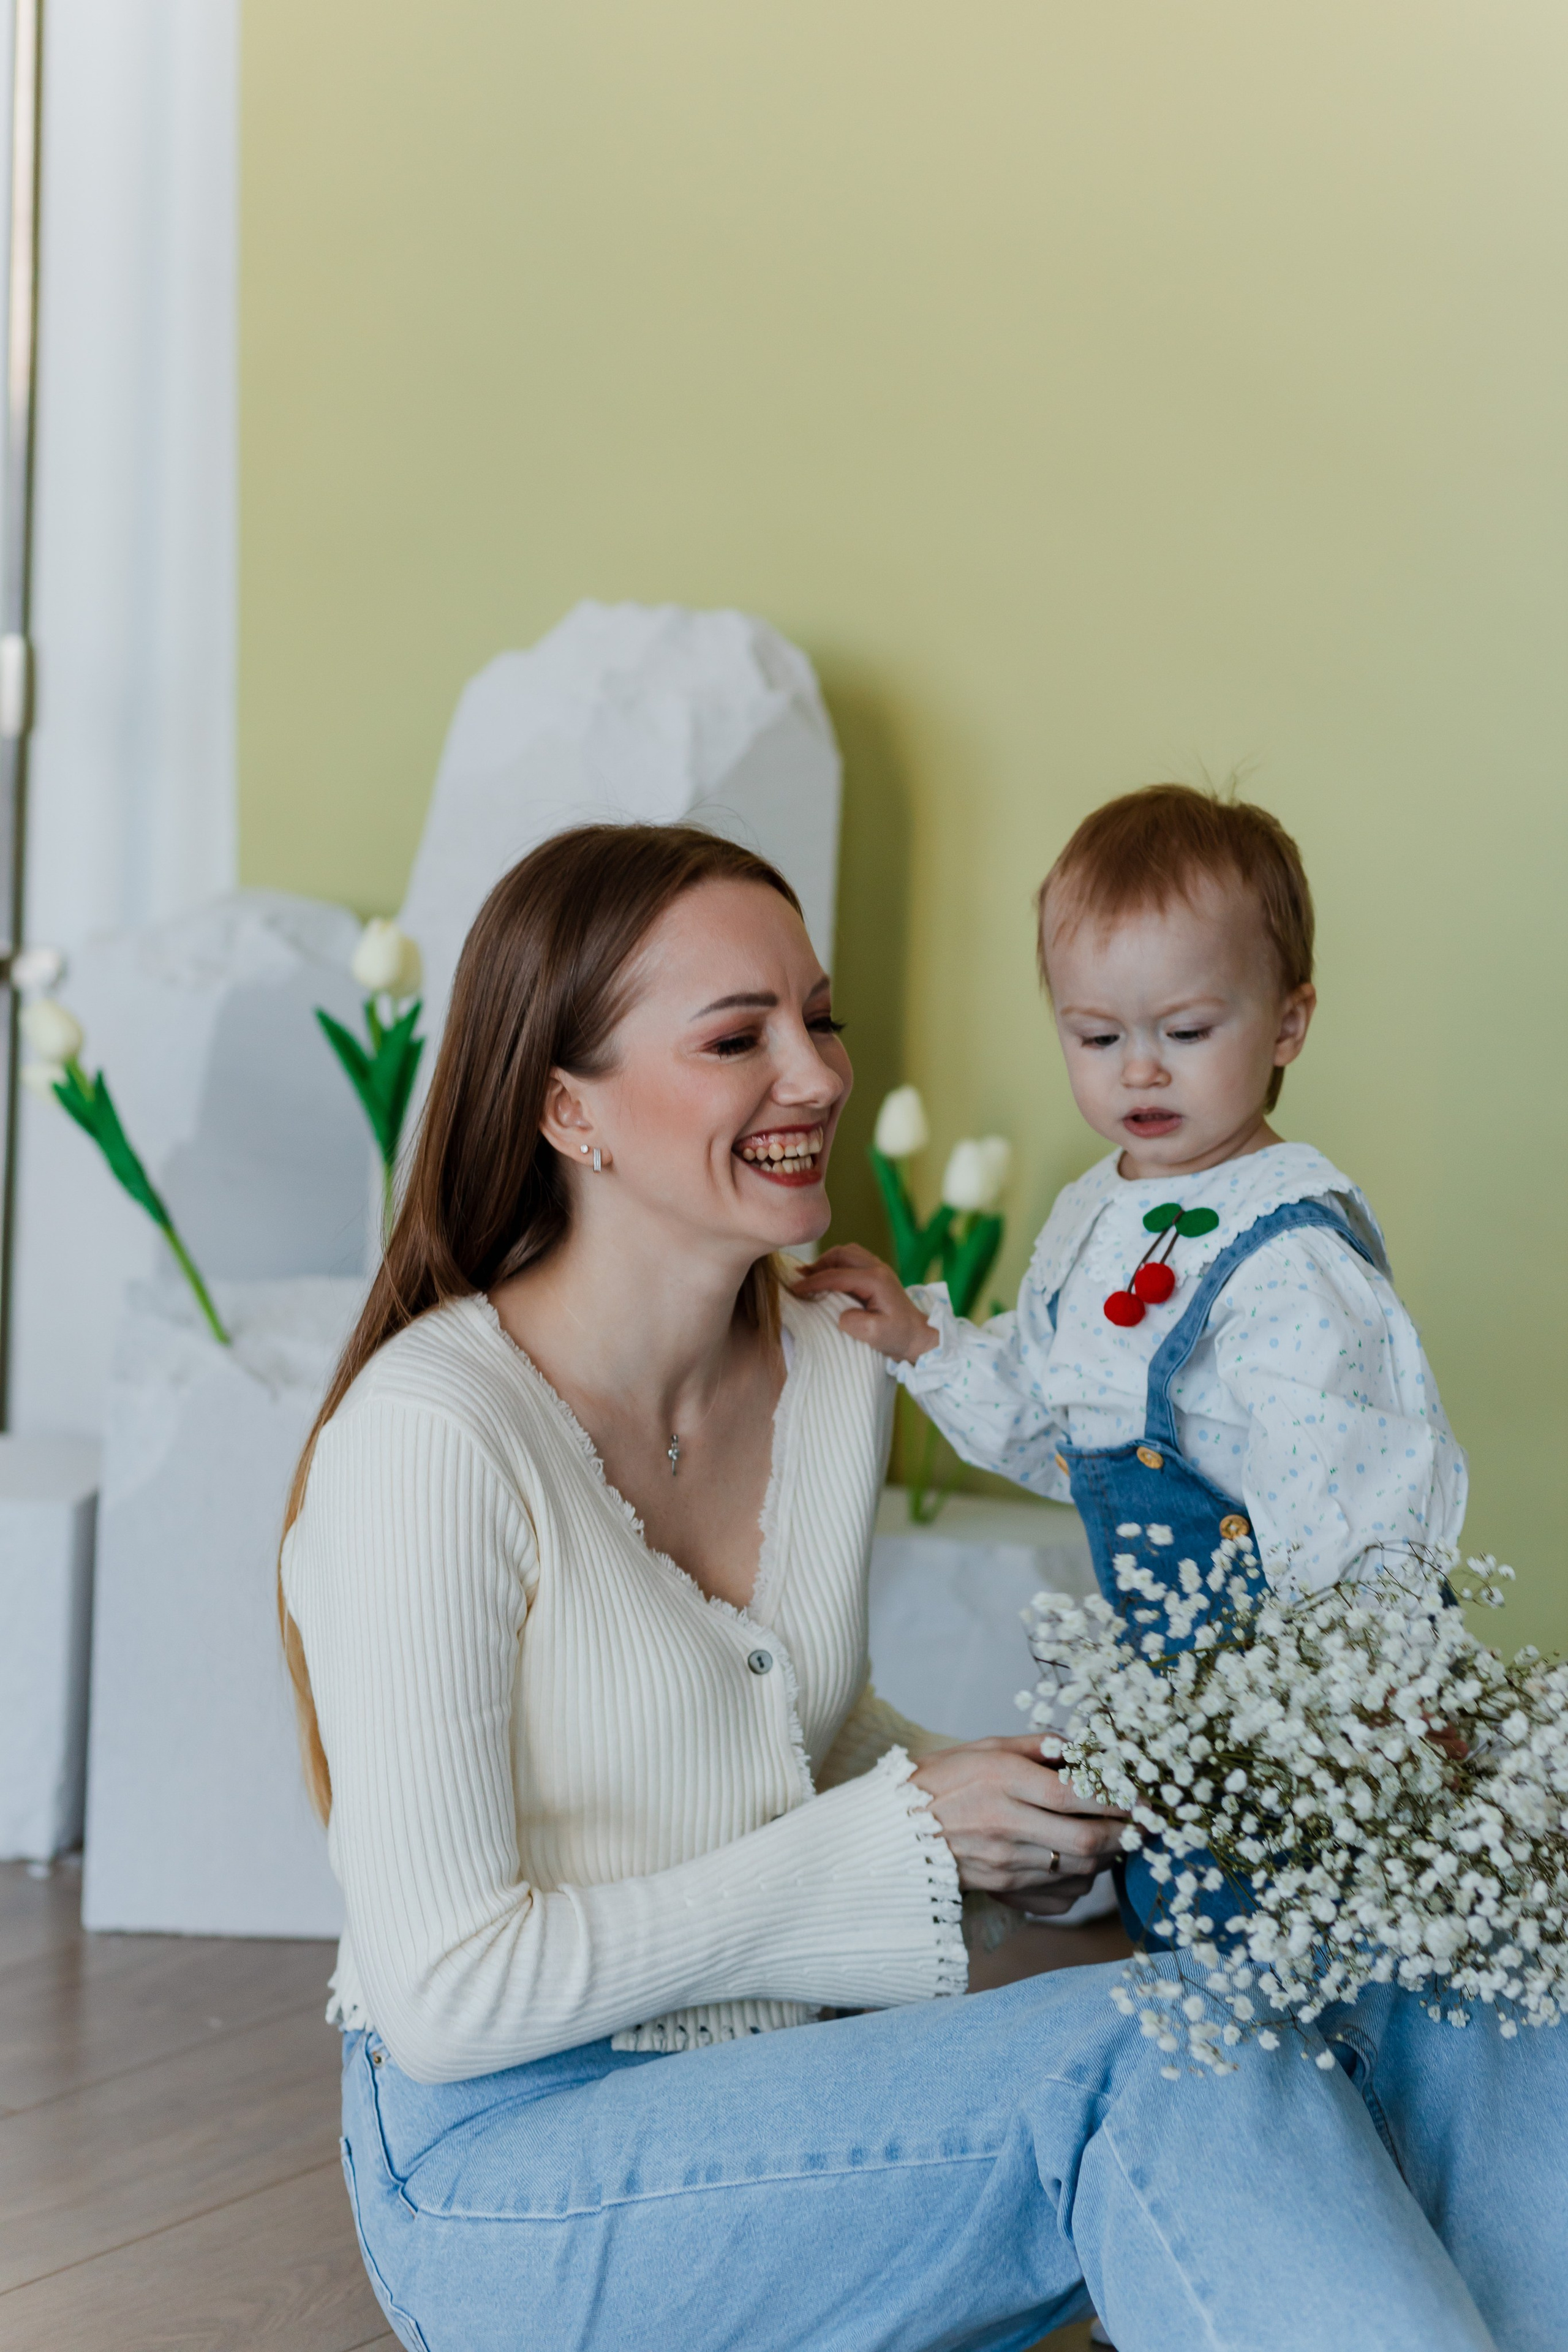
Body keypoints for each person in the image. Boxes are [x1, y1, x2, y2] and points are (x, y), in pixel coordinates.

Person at [281, 821, 1521, 2352]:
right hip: (515, 2168)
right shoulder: (430, 1440)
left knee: (1441, 1926)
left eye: (818, 1018)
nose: (813, 1076)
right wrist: (899, 1841)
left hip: (802, 2084)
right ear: (565, 1110)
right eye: (738, 1036)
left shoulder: (828, 1358)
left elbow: (783, 1731)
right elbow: (449, 1993)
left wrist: (1043, 1810)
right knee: (1147, 2057)